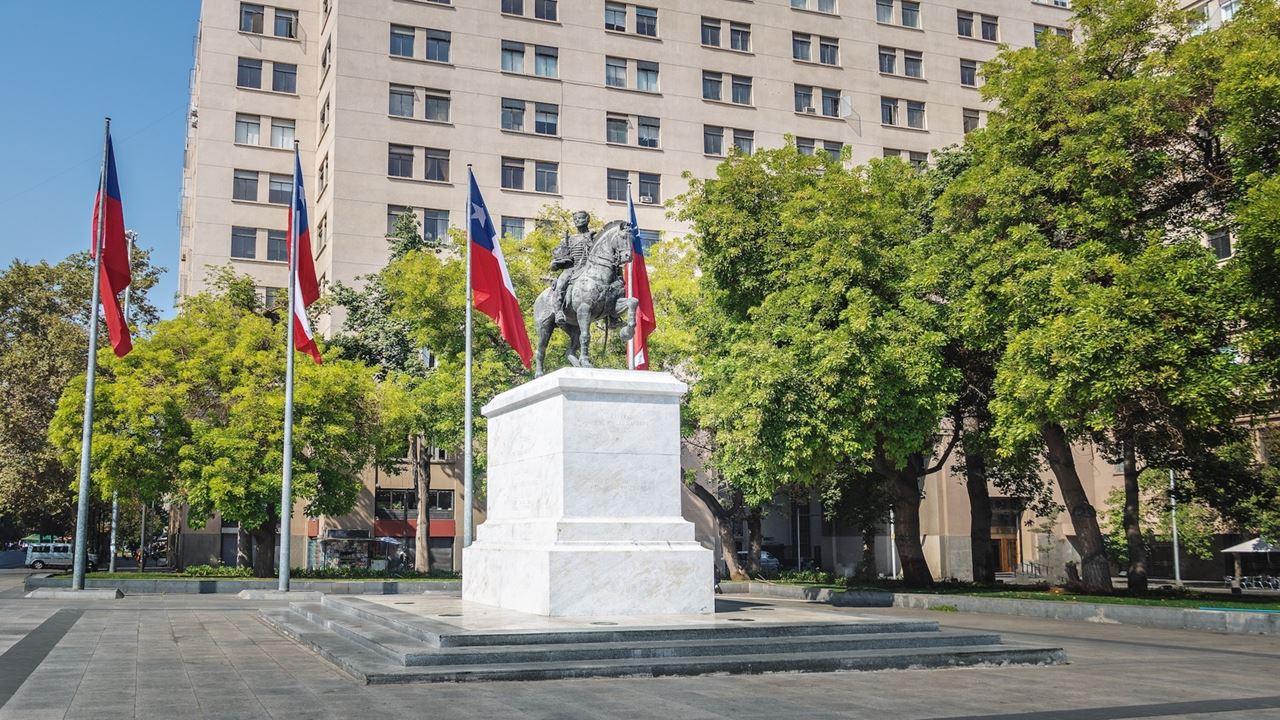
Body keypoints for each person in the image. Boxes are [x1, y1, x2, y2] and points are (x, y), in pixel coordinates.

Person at [550, 211, 596, 324]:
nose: (577, 221)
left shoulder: (594, 236)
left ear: (587, 219)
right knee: (560, 284)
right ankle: (558, 312)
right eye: (575, 219)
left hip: (589, 267)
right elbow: (561, 255)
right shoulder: (568, 239)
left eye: (580, 218)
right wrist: (558, 262)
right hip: (572, 268)